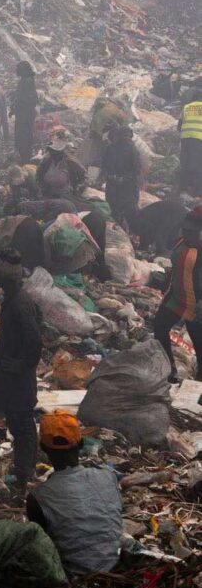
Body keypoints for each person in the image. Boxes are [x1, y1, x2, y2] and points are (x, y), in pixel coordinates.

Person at [26, 412, 122, 577]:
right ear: (81, 443)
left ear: (42, 447)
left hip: (76, 579)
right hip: (119, 568)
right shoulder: (108, 477)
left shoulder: (37, 498)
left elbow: (44, 546)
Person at [0, 249, 42, 486]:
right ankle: (23, 470)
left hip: (18, 380)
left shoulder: (19, 304)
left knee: (22, 426)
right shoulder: (14, 300)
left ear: (4, 277)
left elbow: (34, 341)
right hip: (12, 377)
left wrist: (20, 365)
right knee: (18, 423)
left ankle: (24, 475)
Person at [151, 205, 202, 381]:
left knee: (199, 343)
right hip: (176, 297)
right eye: (186, 230)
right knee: (160, 326)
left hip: (196, 305)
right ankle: (169, 370)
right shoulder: (182, 242)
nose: (187, 234)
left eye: (192, 232)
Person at [101, 123, 141, 230]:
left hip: (127, 187)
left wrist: (123, 178)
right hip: (115, 187)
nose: (126, 139)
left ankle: (130, 232)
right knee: (115, 212)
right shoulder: (111, 149)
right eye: (123, 136)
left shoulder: (132, 150)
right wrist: (110, 176)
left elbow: (136, 170)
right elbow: (104, 166)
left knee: (129, 212)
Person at [35, 132, 86, 200]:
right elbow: (38, 176)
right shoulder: (46, 161)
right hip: (47, 194)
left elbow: (83, 176)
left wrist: (77, 187)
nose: (53, 153)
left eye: (55, 152)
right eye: (51, 151)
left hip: (65, 196)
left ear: (61, 152)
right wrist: (42, 187)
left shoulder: (70, 163)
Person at [10, 62, 38, 164]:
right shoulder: (25, 80)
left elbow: (31, 99)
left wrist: (16, 107)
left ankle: (25, 159)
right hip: (23, 114)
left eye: (18, 69)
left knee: (24, 136)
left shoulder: (27, 81)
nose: (16, 71)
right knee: (22, 135)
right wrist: (14, 108)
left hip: (25, 115)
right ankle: (23, 157)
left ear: (23, 70)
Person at [178, 83, 202, 195]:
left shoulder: (186, 107)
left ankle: (183, 187)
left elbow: (179, 126)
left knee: (185, 162)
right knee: (197, 164)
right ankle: (198, 191)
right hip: (198, 139)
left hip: (185, 138)